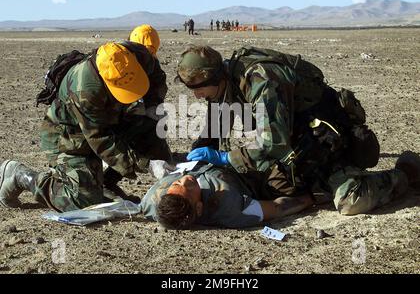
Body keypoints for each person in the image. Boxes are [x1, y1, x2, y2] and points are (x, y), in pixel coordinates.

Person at [172, 45, 420, 219]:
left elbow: (274, 143)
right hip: (295, 142)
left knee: (349, 200)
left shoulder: (261, 80)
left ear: (214, 77)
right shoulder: (224, 85)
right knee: (271, 186)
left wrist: (226, 158)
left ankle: (406, 172)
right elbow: (215, 126)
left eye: (198, 88)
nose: (195, 95)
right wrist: (195, 158)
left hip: (324, 140)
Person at [0, 41, 172, 212]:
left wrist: (152, 106)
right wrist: (147, 164)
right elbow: (101, 139)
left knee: (150, 130)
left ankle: (105, 183)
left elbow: (156, 77)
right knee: (83, 200)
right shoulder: (85, 90)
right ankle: (20, 176)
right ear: (106, 81)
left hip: (113, 118)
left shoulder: (137, 55)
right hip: (70, 135)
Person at [141, 162, 313, 229]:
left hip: (198, 160)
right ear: (199, 207)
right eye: (189, 187)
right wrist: (312, 199)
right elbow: (277, 208)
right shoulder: (228, 206)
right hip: (245, 173)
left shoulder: (152, 201)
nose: (185, 180)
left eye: (176, 183)